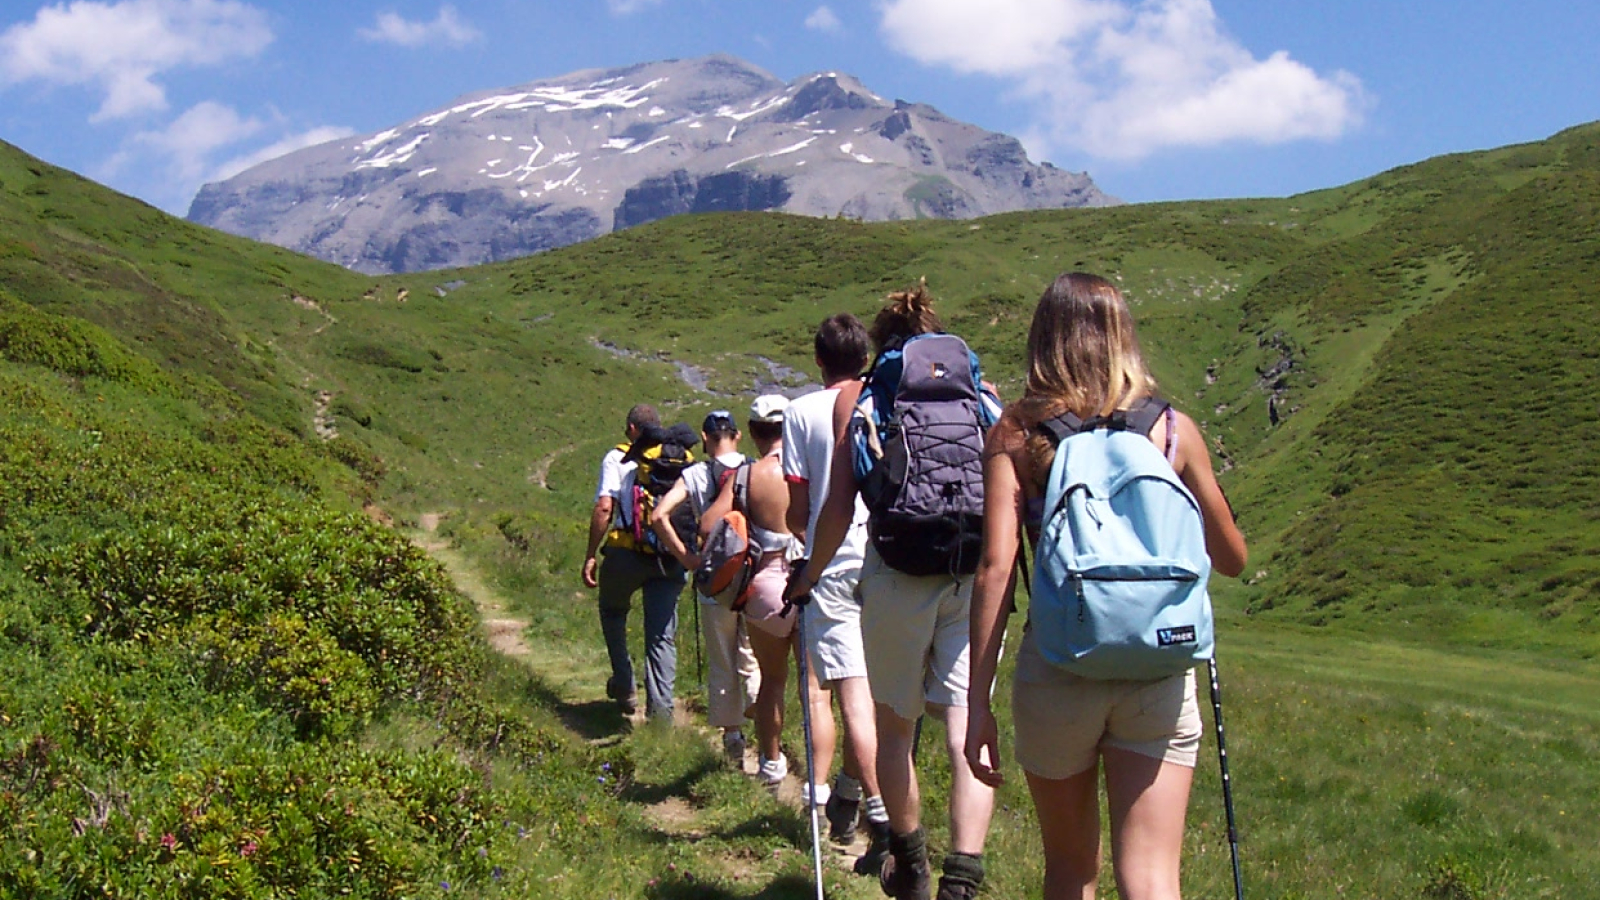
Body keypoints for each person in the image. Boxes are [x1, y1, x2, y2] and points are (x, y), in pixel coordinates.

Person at [965, 272, 1249, 900]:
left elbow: (996, 568)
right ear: (1123, 337)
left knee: (1071, 871)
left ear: (1045, 340)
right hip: (1158, 666)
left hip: (1059, 666)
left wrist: (978, 703)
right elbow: (1231, 558)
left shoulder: (1016, 433)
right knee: (1151, 877)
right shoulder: (1173, 430)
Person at [787, 282, 998, 900]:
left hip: (898, 571)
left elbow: (835, 510)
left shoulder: (868, 396)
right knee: (965, 728)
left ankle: (909, 862)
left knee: (895, 728)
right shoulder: (980, 394)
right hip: (969, 570)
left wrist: (809, 575)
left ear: (881, 343)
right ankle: (964, 875)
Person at [781, 313, 893, 870]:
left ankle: (881, 813)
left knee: (843, 690)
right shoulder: (883, 395)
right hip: (892, 555)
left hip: (832, 560)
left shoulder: (800, 413)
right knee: (880, 695)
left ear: (819, 359)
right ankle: (862, 796)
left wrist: (805, 550)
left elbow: (800, 508)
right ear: (864, 356)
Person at [649, 410, 762, 763]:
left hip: (715, 581)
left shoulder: (695, 474)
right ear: (737, 436)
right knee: (753, 657)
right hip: (756, 576)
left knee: (722, 660)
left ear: (705, 437)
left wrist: (688, 560)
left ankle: (732, 738)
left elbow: (658, 516)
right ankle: (766, 728)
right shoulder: (755, 469)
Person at [700, 395, 797, 786]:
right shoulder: (809, 468)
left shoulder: (746, 476)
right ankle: (825, 789)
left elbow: (709, 525)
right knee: (817, 693)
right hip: (812, 580)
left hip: (766, 587)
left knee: (773, 680)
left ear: (753, 432)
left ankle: (771, 765)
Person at [581, 403, 685, 723]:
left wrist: (590, 554)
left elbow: (603, 509)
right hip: (667, 556)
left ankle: (625, 685)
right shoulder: (674, 460)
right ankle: (662, 716)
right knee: (661, 636)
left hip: (625, 552)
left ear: (630, 429)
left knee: (613, 611)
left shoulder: (617, 457)